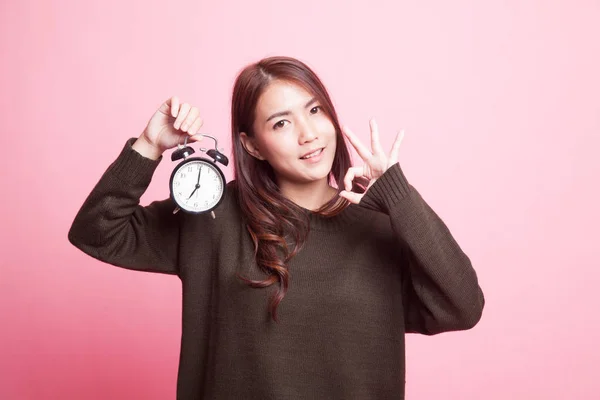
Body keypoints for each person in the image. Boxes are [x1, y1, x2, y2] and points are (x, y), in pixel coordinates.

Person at [68, 56, 485, 399]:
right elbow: (97, 231)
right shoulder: (214, 216)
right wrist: (149, 145)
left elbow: (462, 306)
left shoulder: (380, 226)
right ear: (252, 144)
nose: (308, 134)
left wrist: (397, 195)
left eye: (315, 110)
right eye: (281, 123)